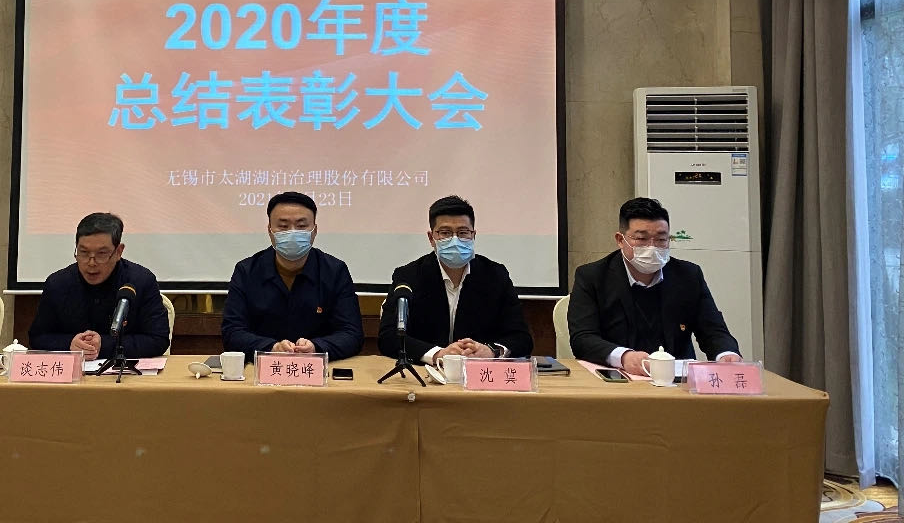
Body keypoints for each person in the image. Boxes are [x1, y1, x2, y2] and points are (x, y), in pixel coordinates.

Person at [568, 197, 742, 374]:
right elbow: (583, 338)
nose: (652, 247)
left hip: (676, 379)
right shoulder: (593, 276)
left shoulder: (688, 275)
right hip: (618, 377)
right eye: (641, 238)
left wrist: (726, 354)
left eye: (661, 239)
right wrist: (624, 357)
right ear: (620, 240)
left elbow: (713, 330)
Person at [377, 194, 532, 365]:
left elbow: (521, 337)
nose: (455, 240)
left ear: (473, 235)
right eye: (445, 233)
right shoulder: (408, 276)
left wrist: (491, 351)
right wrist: (437, 354)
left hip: (478, 372)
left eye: (463, 233)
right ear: (431, 238)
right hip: (425, 373)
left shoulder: (496, 275)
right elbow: (389, 337)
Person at [221, 191, 363, 361]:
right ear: (270, 231)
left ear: (314, 231)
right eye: (283, 226)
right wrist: (271, 348)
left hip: (318, 369)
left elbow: (351, 334)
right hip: (262, 369)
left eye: (301, 226)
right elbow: (232, 332)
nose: (292, 233)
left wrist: (317, 347)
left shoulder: (335, 271)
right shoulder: (247, 271)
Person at [28, 212, 169, 359]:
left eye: (101, 254)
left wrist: (104, 345)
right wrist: (70, 344)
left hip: (124, 372)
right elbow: (38, 337)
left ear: (118, 251)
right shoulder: (57, 284)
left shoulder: (141, 281)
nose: (91, 263)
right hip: (72, 370)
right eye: (83, 253)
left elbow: (158, 339)